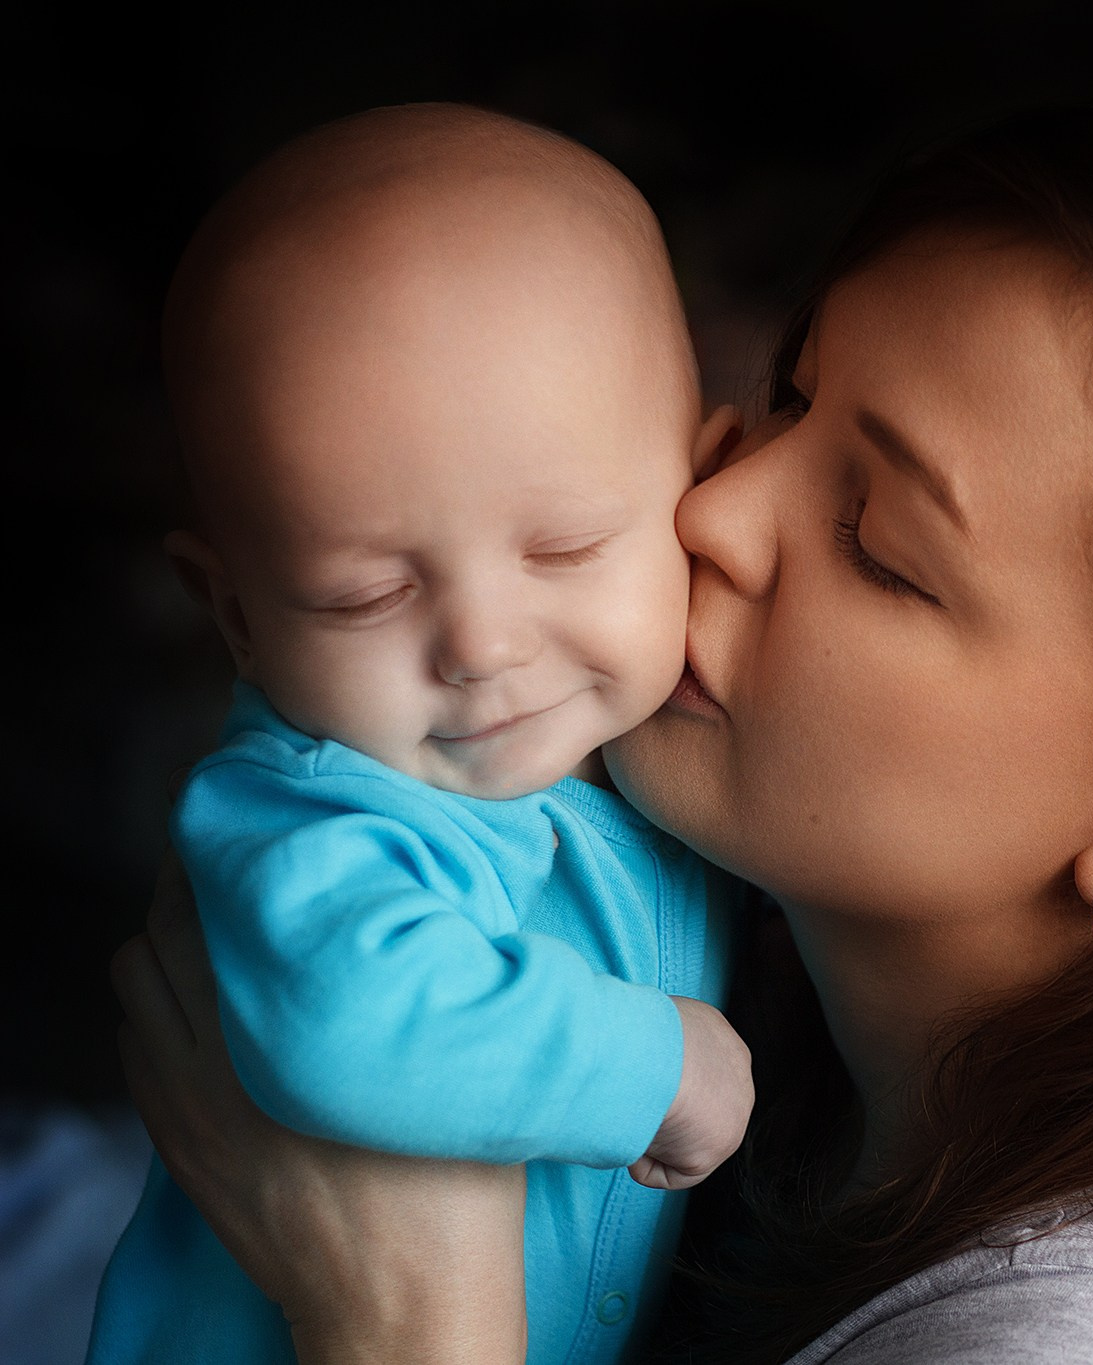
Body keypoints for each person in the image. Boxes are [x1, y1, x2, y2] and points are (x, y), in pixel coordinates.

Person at [113, 107, 1093, 1365]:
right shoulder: (813, 1069)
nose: (708, 508)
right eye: (787, 393)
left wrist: (409, 1320)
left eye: (884, 550)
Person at [89, 105, 756, 1365]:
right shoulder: (311, 810)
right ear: (234, 614)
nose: (483, 648)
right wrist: (659, 1068)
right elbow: (350, 1020)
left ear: (702, 490)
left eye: (561, 549)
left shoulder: (684, 756)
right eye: (366, 597)